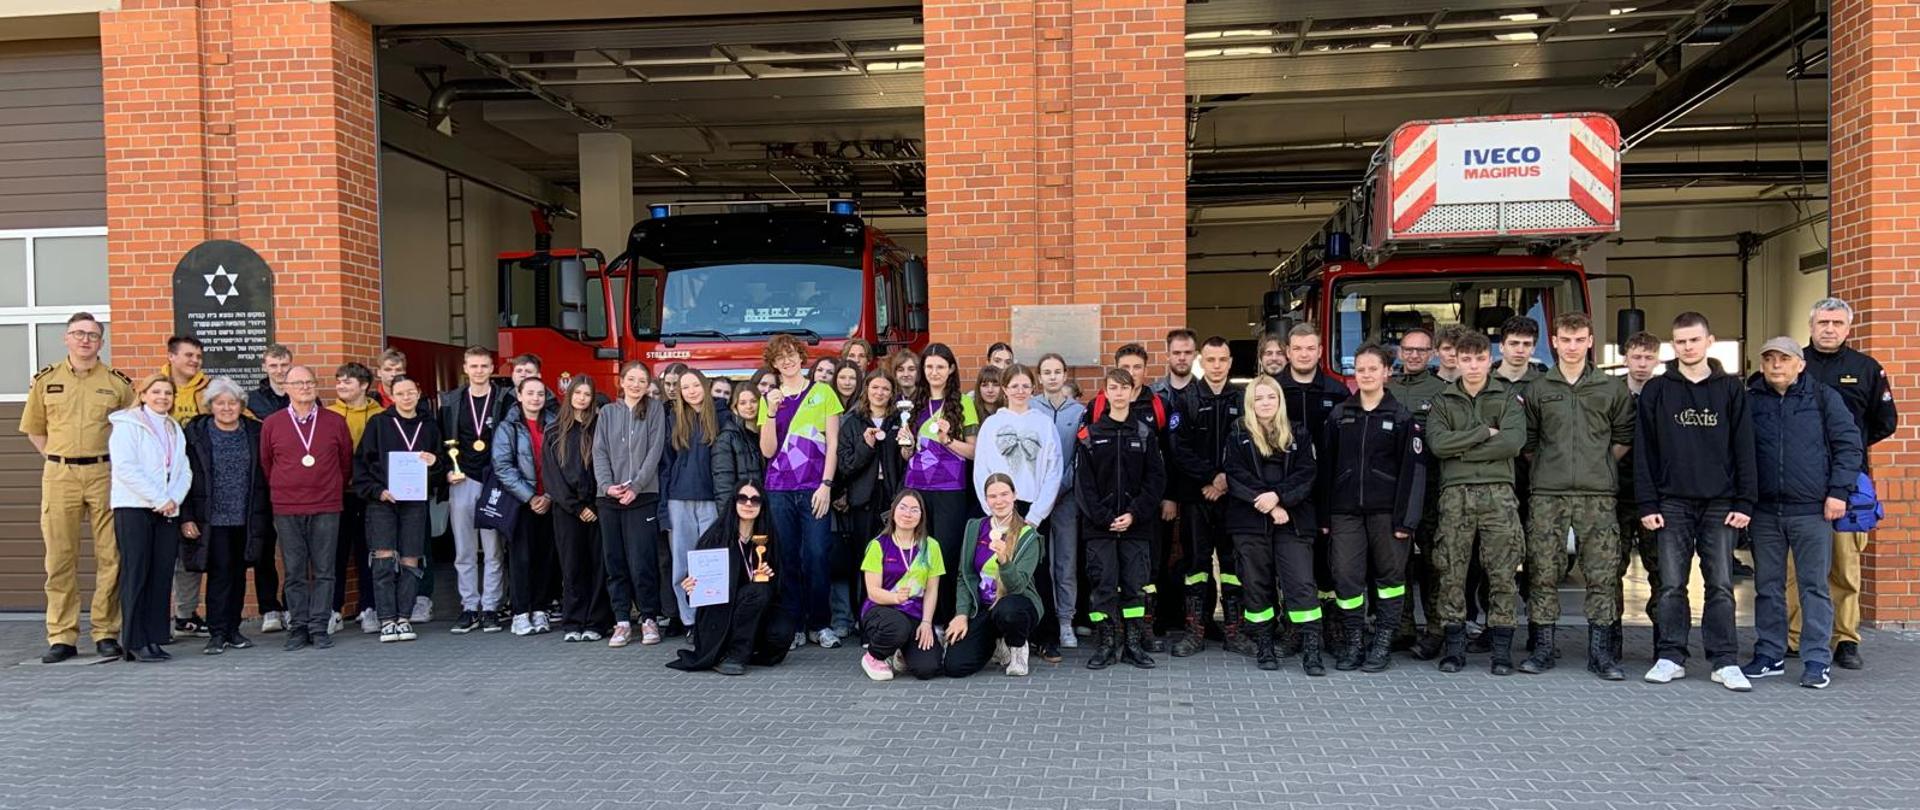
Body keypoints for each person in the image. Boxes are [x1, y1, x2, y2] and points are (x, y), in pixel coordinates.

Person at [1634, 312, 1756, 691]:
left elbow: (1745, 448)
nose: (1687, 347)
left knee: (1720, 583)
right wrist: (1647, 503)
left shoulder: (1731, 389)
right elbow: (1644, 451)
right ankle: (1671, 656)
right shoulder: (1657, 390)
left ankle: (1724, 660)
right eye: (1681, 341)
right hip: (1671, 502)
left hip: (1720, 502)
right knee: (1671, 584)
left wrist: (1745, 502)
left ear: (1709, 341)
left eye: (1694, 340)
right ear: (1673, 345)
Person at [1519, 313, 1635, 680]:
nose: (1572, 347)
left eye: (1579, 339)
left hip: (1597, 494)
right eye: (1566, 340)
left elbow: (1623, 436)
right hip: (1547, 494)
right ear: (1554, 342)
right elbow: (1529, 442)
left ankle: (1601, 654)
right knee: (1542, 571)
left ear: (1590, 341)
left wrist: (1597, 465)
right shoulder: (1538, 388)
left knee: (1602, 573)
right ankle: (1542, 648)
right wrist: (1551, 468)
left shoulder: (1610, 388)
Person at [1743, 337, 1862, 691]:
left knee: (1814, 587)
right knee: (1767, 587)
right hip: (1765, 511)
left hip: (1812, 511)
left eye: (1784, 359)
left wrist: (1838, 492)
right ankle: (1770, 654)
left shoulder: (1824, 398)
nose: (1776, 365)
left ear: (1800, 364)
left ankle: (1816, 659)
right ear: (1762, 365)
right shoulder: (1750, 401)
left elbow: (1849, 446)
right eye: (1769, 359)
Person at [1791, 297, 1898, 670]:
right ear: (1811, 325)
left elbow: (1885, 422)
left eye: (1837, 323)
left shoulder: (1865, 369)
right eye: (1823, 322)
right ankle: (1793, 637)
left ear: (1848, 328)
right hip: (1797, 481)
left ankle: (1845, 640)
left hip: (1847, 482)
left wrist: (1848, 449)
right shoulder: (1792, 363)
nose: (1829, 329)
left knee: (1844, 566)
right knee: (1795, 568)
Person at [21, 312, 132, 663]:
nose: (85, 340)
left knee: (111, 556)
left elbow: (131, 431)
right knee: (59, 557)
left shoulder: (117, 384)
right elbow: (35, 429)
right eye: (79, 333)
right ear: (66, 338)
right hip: (60, 475)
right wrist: (59, 458)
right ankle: (62, 635)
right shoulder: (46, 381)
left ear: (101, 342)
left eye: (93, 335)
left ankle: (105, 631)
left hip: (105, 473)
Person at [1426, 331, 1526, 675]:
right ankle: (1454, 650)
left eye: (1479, 359)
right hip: (1456, 494)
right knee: (1451, 571)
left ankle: (1501, 651)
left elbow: (1512, 443)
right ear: (1455, 360)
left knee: (1502, 571)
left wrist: (1462, 451)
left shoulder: (1507, 396)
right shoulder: (1443, 400)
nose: (1472, 366)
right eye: (1465, 359)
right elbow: (1439, 445)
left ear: (1490, 360)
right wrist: (1484, 432)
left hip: (1499, 493)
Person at [1325, 346, 1426, 673]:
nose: (1366, 374)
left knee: (1391, 579)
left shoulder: (1401, 417)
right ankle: (1354, 641)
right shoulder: (1339, 415)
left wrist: (1407, 521)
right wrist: (1325, 515)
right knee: (1346, 577)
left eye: (1373, 369)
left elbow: (1414, 473)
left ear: (1386, 373)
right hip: (1345, 513)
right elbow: (1326, 468)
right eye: (1360, 369)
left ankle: (1382, 641)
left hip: (1388, 515)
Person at [1224, 374, 1319, 673]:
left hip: (1293, 521)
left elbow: (1306, 474)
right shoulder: (1237, 435)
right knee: (1256, 586)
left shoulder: (1298, 433)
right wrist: (1268, 504)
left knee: (1301, 583)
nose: (1265, 403)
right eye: (1259, 398)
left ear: (1280, 400)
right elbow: (1235, 475)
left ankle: (1311, 650)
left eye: (1271, 397)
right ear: (1250, 403)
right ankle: (1264, 645)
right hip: (1250, 522)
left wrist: (1279, 497)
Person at [970, 364, 1064, 660]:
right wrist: (993, 510)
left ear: (1033, 388)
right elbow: (981, 468)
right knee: (1001, 569)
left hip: (1033, 508)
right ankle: (1004, 637)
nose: (1020, 391)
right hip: (1001, 507)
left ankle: (1047, 636)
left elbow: (1054, 469)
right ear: (1005, 389)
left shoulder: (1044, 424)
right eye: (1014, 386)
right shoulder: (992, 425)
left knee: (1038, 572)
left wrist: (1036, 516)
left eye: (1025, 386)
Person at [1075, 368, 1167, 670]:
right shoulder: (1089, 436)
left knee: (1135, 586)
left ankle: (1132, 645)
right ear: (1105, 392)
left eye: (1124, 388)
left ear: (1132, 391)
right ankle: (1106, 644)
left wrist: (1134, 513)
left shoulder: (1144, 434)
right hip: (1099, 527)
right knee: (1102, 585)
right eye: (1113, 388)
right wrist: (1104, 518)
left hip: (1136, 526)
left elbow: (1156, 480)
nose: (1119, 393)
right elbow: (1083, 486)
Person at [759, 335, 845, 649]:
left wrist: (826, 485)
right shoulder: (769, 398)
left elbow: (833, 444)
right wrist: (771, 411)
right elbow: (767, 451)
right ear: (774, 364)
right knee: (787, 558)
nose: (787, 361)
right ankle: (794, 625)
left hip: (814, 488)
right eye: (780, 357)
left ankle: (819, 624)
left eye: (791, 354)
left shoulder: (823, 392)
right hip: (779, 488)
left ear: (800, 356)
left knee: (817, 555)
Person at [259, 365, 353, 651]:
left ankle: (319, 626)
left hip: (326, 504)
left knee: (325, 569)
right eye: (298, 383)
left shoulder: (334, 421)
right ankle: (298, 627)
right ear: (286, 388)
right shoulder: (272, 423)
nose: (304, 388)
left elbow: (345, 462)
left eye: (309, 382)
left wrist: (331, 487)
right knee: (295, 570)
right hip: (287, 506)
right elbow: (267, 463)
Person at [1167, 336, 1246, 658]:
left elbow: (1250, 445)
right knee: (1196, 565)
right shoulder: (1185, 400)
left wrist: (1226, 478)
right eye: (1210, 360)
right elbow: (1178, 448)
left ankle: (1235, 632)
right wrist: (1210, 477)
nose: (1216, 366)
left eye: (1222, 360)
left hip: (1234, 498)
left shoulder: (1243, 399)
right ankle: (1195, 632)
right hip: (1196, 498)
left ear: (1230, 362)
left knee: (1232, 565)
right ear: (1202, 362)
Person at [669, 480, 796, 675]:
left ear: (762, 505)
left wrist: (770, 576)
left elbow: (778, 587)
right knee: (758, 591)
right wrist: (691, 587)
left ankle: (746, 652)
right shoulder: (716, 537)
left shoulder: (767, 538)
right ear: (734, 502)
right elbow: (697, 591)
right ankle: (734, 655)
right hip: (720, 614)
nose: (748, 504)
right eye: (742, 498)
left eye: (755, 500)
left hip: (755, 611)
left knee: (782, 629)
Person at [180, 377, 268, 654]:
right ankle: (217, 632)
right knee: (219, 574)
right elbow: (184, 478)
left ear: (241, 405)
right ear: (210, 405)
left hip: (245, 516)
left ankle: (233, 629)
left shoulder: (254, 432)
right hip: (212, 518)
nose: (227, 408)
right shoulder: (196, 434)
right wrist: (187, 517)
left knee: (239, 574)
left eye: (232, 403)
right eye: (220, 403)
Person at [107, 375, 192, 662]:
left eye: (168, 393)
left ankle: (154, 638)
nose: (162, 397)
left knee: (160, 575)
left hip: (167, 510)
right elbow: (126, 468)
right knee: (137, 574)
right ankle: (134, 641)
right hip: (134, 508)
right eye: (156, 392)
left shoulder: (173, 428)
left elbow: (184, 469)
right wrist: (158, 499)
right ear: (143, 395)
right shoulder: (127, 425)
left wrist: (174, 499)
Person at [1276, 323, 1349, 649]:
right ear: (1287, 352)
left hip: (1326, 490)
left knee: (1327, 561)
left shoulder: (1337, 392)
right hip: (1287, 493)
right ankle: (1294, 626)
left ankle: (1331, 626)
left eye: (1310, 348)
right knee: (1291, 562)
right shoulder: (1275, 390)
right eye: (1297, 349)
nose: (1304, 354)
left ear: (1320, 352)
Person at [353, 375, 442, 643]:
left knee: (411, 559)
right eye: (400, 393)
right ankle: (386, 619)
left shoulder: (429, 426)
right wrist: (377, 491)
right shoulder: (378, 423)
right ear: (391, 396)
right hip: (383, 501)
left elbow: (441, 468)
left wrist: (435, 462)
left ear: (418, 393)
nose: (406, 397)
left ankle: (404, 617)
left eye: (410, 392)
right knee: (383, 558)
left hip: (414, 502)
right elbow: (361, 464)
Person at [594, 360, 670, 648]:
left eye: (642, 380)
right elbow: (599, 451)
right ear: (621, 381)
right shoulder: (607, 413)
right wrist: (607, 486)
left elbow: (655, 450)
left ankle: (648, 617)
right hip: (610, 498)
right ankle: (622, 620)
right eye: (631, 379)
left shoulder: (654, 409)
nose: (636, 385)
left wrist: (636, 486)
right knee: (615, 561)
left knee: (642, 561)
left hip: (643, 496)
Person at [899, 343, 975, 627]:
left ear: (951, 369)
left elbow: (973, 451)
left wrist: (947, 440)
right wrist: (906, 445)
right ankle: (918, 619)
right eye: (929, 367)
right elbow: (907, 454)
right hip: (916, 489)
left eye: (940, 367)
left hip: (950, 490)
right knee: (918, 553)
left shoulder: (964, 403)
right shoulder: (914, 403)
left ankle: (947, 618)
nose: (934, 372)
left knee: (945, 554)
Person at [437, 347, 512, 633]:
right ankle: (469, 606)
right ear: (465, 368)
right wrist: (447, 470)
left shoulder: (504, 399)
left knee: (493, 550)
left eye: (484, 366)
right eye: (474, 366)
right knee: (464, 549)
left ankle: (491, 607)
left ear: (492, 368)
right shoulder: (451, 401)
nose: (479, 371)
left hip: (494, 480)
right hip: (462, 479)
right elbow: (440, 440)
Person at [1387, 327, 1450, 658]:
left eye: (1421, 350)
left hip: (1430, 488)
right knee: (1398, 562)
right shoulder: (1388, 388)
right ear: (1399, 352)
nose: (1413, 355)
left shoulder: (1443, 391)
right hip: (1394, 488)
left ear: (1432, 354)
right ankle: (1403, 626)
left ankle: (1436, 629)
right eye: (1408, 349)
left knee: (1433, 562)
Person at [944, 474, 1045, 677]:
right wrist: (961, 614)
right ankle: (997, 644)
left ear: (1014, 495)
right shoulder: (975, 527)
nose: (999, 501)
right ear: (986, 500)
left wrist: (1004, 561)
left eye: (1004, 494)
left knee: (1008, 610)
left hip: (1016, 604)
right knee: (955, 666)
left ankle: (1017, 647)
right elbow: (964, 576)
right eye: (993, 496)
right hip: (982, 607)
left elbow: (1018, 587)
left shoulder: (1028, 535)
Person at [545, 376, 614, 642]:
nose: (582, 398)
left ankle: (597, 622)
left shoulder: (600, 428)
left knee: (598, 565)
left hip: (598, 506)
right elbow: (552, 476)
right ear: (569, 395)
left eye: (587, 394)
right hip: (567, 511)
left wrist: (593, 504)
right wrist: (576, 507)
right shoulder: (554, 431)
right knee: (572, 566)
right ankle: (573, 620)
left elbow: (606, 467)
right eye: (578, 393)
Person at [837, 370, 906, 636]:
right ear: (866, 390)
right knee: (864, 561)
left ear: (892, 393)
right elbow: (845, 466)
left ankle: (892, 618)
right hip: (863, 500)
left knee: (893, 559)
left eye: (885, 389)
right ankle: (864, 622)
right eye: (875, 387)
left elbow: (905, 463)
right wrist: (865, 446)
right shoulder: (852, 422)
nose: (880, 393)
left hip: (891, 498)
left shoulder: (899, 420)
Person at [493, 376, 559, 636]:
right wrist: (530, 497)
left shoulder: (555, 423)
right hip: (521, 503)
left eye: (540, 394)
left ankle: (540, 609)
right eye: (530, 393)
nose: (535, 398)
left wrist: (549, 496)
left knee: (546, 557)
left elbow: (563, 462)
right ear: (519, 396)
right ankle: (520, 613)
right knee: (521, 558)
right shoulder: (507, 426)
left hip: (551, 501)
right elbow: (503, 466)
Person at [1612, 332, 1663, 661]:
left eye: (1648, 357)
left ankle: (1664, 642)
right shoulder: (1610, 392)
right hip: (1615, 493)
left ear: (1657, 359)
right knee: (1610, 569)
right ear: (1625, 357)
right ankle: (1610, 642)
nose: (1642, 364)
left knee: (1661, 571)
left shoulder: (1666, 392)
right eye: (1636, 357)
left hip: (1657, 496)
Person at [858, 489, 946, 681]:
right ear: (893, 510)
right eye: (903, 507)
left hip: (915, 613)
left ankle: (900, 652)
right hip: (881, 610)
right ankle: (874, 656)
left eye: (915, 510)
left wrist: (926, 623)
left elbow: (932, 590)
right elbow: (873, 592)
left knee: (928, 668)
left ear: (922, 515)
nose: (908, 514)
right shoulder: (878, 545)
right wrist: (895, 597)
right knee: (898, 627)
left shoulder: (931, 546)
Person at [662, 368, 724, 635]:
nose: (691, 391)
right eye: (685, 387)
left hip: (710, 500)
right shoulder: (673, 419)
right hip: (679, 500)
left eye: (695, 385)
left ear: (705, 386)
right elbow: (665, 466)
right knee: (682, 565)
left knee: (710, 563)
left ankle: (710, 621)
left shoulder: (722, 416)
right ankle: (690, 621)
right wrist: (663, 509)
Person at [160, 337, 213, 640]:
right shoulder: (154, 387)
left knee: (189, 549)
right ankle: (154, 618)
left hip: (195, 480)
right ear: (171, 356)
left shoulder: (209, 388)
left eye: (198, 356)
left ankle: (185, 614)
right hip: (158, 482)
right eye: (189, 355)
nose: (195, 361)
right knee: (159, 553)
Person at [328, 362, 383, 635]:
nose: (340, 386)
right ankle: (333, 609)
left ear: (363, 385)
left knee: (369, 551)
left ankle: (368, 607)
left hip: (370, 494)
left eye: (347, 381)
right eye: (338, 381)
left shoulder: (381, 415)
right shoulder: (328, 415)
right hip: (337, 494)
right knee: (334, 553)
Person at [712, 387, 765, 514]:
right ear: (734, 407)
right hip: (743, 507)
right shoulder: (727, 437)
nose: (749, 406)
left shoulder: (768, 433)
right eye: (742, 403)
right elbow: (723, 484)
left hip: (765, 507)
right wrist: (727, 517)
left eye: (753, 401)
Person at [246, 344, 293, 419]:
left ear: (291, 366)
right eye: (273, 366)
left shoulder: (304, 395)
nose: (279, 371)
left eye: (284, 365)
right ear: (264, 367)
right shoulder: (251, 400)